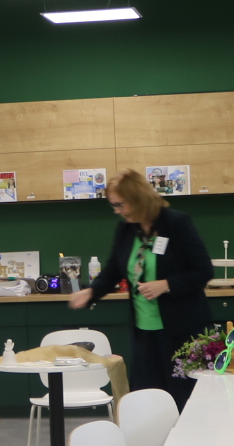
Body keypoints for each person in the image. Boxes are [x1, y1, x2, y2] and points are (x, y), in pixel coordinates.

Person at [68, 169, 214, 408]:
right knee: (148, 399)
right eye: (113, 205)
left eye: (120, 204)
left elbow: (204, 270)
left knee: (183, 397)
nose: (117, 211)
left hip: (182, 332)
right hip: (144, 332)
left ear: (138, 199)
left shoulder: (176, 223)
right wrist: (91, 291)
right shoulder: (127, 229)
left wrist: (166, 285)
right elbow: (114, 268)